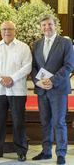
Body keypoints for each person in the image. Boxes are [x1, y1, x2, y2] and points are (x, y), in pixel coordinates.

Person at [31, 15, 74, 165]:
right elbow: (34, 67)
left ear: (55, 25)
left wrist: (52, 80)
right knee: (45, 122)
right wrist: (38, 82)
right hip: (42, 90)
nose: (46, 27)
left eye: (49, 24)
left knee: (59, 122)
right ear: (40, 27)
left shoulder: (65, 43)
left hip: (58, 89)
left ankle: (61, 153)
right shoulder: (36, 44)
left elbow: (69, 66)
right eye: (43, 25)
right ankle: (46, 151)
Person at [0, 21, 32, 162]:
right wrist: (1, 79)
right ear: (1, 31)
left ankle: (21, 151)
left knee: (18, 121)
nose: (7, 31)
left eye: (10, 29)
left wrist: (12, 78)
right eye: (4, 29)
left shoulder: (23, 47)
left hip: (17, 90)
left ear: (15, 31)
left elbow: (27, 66)